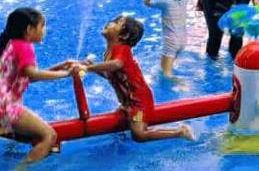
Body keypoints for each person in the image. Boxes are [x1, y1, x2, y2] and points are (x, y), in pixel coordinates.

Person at [0, 8, 81, 171]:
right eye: (42, 25)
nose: (44, 30)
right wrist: (67, 74)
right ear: (29, 30)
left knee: (36, 131)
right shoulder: (25, 47)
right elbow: (32, 74)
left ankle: (13, 151)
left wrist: (61, 66)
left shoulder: (12, 44)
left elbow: (28, 77)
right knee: (49, 135)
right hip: (4, 107)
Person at [83, 15, 194, 143]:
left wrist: (89, 69)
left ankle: (180, 131)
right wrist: (92, 67)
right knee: (121, 129)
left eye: (117, 23)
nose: (111, 23)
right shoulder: (109, 53)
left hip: (139, 104)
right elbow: (111, 76)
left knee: (139, 134)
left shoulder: (122, 50)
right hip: (128, 103)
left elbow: (117, 64)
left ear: (123, 36)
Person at [143, 0, 190, 79]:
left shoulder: (164, 2)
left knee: (166, 74)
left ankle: (182, 84)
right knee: (168, 67)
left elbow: (146, 1)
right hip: (183, 40)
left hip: (170, 42)